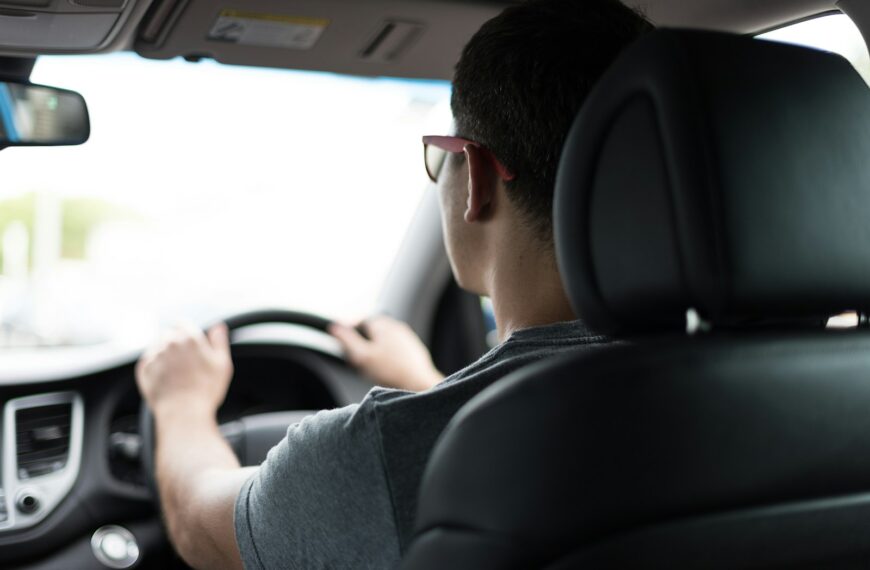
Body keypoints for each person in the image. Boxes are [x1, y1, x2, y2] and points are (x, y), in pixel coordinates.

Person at [134, 1, 653, 567]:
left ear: (475, 176)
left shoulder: (379, 451)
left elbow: (199, 525)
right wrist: (425, 383)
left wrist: (181, 404)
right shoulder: (739, 385)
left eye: (443, 156)